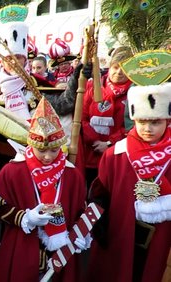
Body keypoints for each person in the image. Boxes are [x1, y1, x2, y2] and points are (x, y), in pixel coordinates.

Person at [0, 97, 88, 282]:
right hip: (23, 243)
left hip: (61, 249)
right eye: (41, 150)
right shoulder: (12, 171)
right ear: (31, 145)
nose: (47, 156)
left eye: (54, 150)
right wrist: (24, 218)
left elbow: (80, 207)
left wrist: (81, 232)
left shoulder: (71, 173)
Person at [87, 82, 171, 282]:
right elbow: (101, 193)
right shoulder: (115, 154)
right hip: (121, 234)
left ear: (167, 120)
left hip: (163, 238)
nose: (147, 128)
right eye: (141, 122)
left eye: (155, 122)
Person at [81, 47, 133, 188]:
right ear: (110, 67)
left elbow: (131, 126)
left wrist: (109, 144)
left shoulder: (134, 92)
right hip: (90, 154)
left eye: (124, 68)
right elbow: (82, 117)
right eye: (115, 67)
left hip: (117, 155)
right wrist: (94, 141)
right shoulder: (94, 87)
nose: (119, 72)